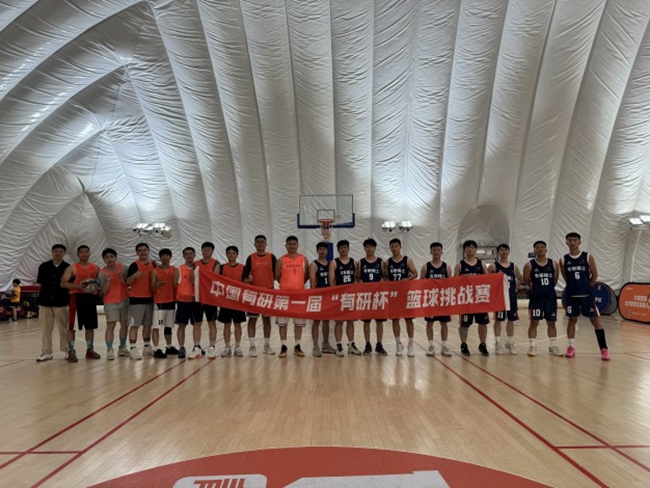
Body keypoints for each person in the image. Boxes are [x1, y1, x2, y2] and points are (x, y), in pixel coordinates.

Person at [559, 232, 610, 360]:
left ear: (579, 242)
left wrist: (589, 285)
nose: (572, 242)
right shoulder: (563, 259)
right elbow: (566, 277)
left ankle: (604, 349)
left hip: (586, 295)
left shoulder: (587, 257)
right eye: (570, 240)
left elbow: (595, 274)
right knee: (572, 320)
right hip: (572, 296)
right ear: (566, 242)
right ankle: (571, 347)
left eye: (575, 240)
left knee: (595, 321)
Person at [60, 245, 101, 362]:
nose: (84, 254)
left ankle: (90, 350)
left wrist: (97, 290)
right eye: (81, 252)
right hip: (76, 298)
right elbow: (63, 283)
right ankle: (71, 350)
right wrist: (77, 286)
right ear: (78, 254)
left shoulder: (96, 268)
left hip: (90, 298)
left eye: (86, 252)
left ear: (89, 253)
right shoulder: (72, 268)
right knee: (71, 326)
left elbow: (101, 283)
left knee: (90, 326)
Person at [523, 241, 563, 357]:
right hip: (536, 299)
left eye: (542, 247)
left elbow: (555, 280)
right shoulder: (529, 265)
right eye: (537, 247)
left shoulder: (554, 264)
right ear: (534, 250)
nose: (540, 249)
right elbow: (526, 280)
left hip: (550, 298)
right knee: (534, 322)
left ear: (546, 249)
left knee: (551, 323)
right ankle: (532, 346)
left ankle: (552, 346)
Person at [275, 235, 309, 358]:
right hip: (284, 297)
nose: (292, 246)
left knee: (298, 323)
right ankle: (283, 346)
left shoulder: (304, 259)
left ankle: (297, 345)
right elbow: (277, 276)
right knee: (282, 323)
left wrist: (297, 286)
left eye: (294, 244)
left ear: (298, 245)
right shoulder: (281, 260)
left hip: (299, 296)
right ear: (286, 245)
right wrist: (287, 286)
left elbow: (306, 276)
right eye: (290, 244)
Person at [243, 235, 277, 357]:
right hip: (254, 293)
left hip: (268, 292)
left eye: (263, 241)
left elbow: (277, 274)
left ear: (266, 244)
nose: (261, 243)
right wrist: (248, 280)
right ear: (254, 244)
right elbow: (245, 277)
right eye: (258, 242)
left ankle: (267, 345)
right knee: (252, 319)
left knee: (266, 319)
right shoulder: (250, 258)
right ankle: (252, 346)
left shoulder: (271, 257)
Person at [36, 244, 70, 362]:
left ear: (64, 253)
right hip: (45, 302)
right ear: (52, 252)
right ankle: (47, 352)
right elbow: (41, 283)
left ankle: (66, 350)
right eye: (56, 251)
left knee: (63, 328)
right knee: (46, 328)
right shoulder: (43, 266)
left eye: (60, 251)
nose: (58, 253)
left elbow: (69, 284)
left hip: (61, 302)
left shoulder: (68, 267)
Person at [455, 240, 490, 356]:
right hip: (466, 299)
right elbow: (454, 282)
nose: (470, 249)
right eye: (468, 247)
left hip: (480, 298)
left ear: (476, 249)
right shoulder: (460, 265)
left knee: (483, 323)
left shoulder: (482, 264)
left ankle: (483, 344)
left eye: (472, 247)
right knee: (464, 324)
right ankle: (463, 344)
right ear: (464, 250)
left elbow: (488, 280)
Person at [384, 238, 418, 357]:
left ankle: (411, 344)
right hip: (394, 295)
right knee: (395, 319)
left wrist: (406, 279)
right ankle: (398, 343)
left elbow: (415, 274)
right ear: (390, 248)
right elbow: (385, 277)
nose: (394, 248)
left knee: (409, 319)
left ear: (400, 247)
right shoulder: (388, 262)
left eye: (396, 246)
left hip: (405, 294)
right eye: (392, 246)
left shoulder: (407, 260)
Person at [420, 242, 453, 357]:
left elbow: (451, 284)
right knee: (430, 323)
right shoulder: (425, 267)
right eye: (434, 250)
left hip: (443, 300)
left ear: (442, 251)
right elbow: (421, 283)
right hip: (431, 300)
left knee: (444, 324)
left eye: (438, 250)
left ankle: (444, 346)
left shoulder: (447, 267)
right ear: (431, 252)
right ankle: (431, 345)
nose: (436, 252)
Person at [329, 239, 360, 357]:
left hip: (351, 296)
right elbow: (332, 281)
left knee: (351, 321)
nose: (343, 249)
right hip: (339, 297)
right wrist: (334, 296)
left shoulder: (354, 262)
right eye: (341, 247)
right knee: (339, 322)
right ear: (338, 250)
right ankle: (338, 345)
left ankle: (351, 344)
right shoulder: (334, 263)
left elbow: (356, 279)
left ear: (348, 249)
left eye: (345, 247)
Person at [489, 244, 521, 355]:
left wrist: (515, 288)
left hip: (511, 298)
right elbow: (488, 280)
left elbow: (520, 278)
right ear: (498, 252)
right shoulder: (493, 266)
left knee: (511, 320)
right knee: (498, 320)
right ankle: (497, 343)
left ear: (509, 252)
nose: (504, 252)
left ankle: (510, 342)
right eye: (502, 250)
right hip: (499, 298)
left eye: (506, 250)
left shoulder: (514, 266)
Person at [356, 238, 387, 356]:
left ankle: (379, 344)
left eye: (371, 247)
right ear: (364, 248)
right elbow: (358, 278)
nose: (369, 249)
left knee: (379, 321)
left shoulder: (380, 262)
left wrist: (381, 284)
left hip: (378, 296)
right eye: (367, 247)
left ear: (375, 248)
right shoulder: (361, 262)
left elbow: (385, 277)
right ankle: (367, 344)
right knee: (366, 322)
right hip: (366, 296)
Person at [126, 243, 156, 360]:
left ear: (148, 251)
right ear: (137, 253)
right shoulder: (134, 265)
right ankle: (133, 349)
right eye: (140, 250)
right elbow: (127, 282)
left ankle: (147, 347)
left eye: (145, 250)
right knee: (135, 325)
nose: (143, 252)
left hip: (150, 299)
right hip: (136, 300)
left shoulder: (153, 265)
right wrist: (135, 276)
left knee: (148, 325)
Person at [99, 248, 130, 359]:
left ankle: (122, 347)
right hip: (110, 302)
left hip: (124, 300)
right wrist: (108, 281)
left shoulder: (124, 268)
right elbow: (103, 291)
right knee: (110, 326)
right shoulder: (102, 272)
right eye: (107, 257)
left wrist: (121, 278)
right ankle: (109, 349)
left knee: (124, 325)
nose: (109, 259)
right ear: (104, 259)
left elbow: (128, 284)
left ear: (115, 257)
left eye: (111, 256)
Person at [218, 246, 247, 357]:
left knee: (237, 324)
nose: (231, 255)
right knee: (227, 325)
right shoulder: (221, 268)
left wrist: (249, 280)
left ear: (237, 255)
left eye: (233, 253)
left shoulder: (243, 268)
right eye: (229, 253)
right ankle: (227, 346)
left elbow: (246, 282)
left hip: (238, 301)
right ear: (226, 254)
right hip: (225, 301)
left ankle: (238, 346)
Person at [175, 247, 203, 359]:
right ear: (183, 256)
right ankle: (182, 347)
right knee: (182, 325)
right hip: (183, 302)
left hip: (196, 301)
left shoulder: (199, 269)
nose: (189, 256)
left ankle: (197, 346)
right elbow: (174, 285)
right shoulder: (179, 269)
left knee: (197, 324)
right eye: (186, 254)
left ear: (194, 255)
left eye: (191, 253)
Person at [308, 242, 335, 357]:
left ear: (327, 251)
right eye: (320, 249)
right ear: (317, 250)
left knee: (326, 321)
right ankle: (315, 345)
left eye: (324, 249)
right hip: (318, 297)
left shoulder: (330, 264)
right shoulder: (314, 264)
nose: (322, 251)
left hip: (327, 297)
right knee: (316, 321)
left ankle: (326, 344)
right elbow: (312, 282)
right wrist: (314, 295)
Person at [194, 242, 221, 358]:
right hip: (198, 298)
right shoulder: (196, 264)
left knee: (212, 322)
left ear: (212, 251)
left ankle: (212, 347)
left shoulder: (216, 263)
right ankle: (196, 347)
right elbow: (192, 278)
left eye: (209, 249)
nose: (206, 251)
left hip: (210, 298)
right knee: (197, 323)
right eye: (204, 249)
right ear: (201, 251)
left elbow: (214, 278)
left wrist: (203, 276)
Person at [150, 248, 177, 359]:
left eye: (167, 255)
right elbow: (152, 288)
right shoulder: (155, 271)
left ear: (170, 257)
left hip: (171, 301)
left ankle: (169, 346)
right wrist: (157, 285)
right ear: (160, 258)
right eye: (163, 256)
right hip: (159, 302)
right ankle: (156, 348)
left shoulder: (175, 270)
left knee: (168, 326)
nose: (165, 257)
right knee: (156, 326)